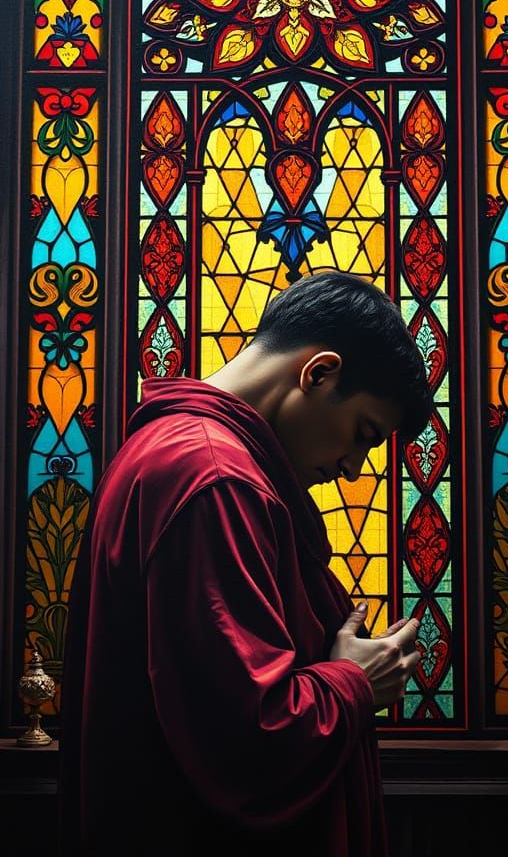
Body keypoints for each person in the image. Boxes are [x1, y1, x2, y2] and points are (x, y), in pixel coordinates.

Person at [58, 270, 432, 857]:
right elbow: (247, 741)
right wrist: (355, 682)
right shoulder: (215, 477)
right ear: (319, 372)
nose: (354, 467)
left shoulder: (178, 451)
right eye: (363, 433)